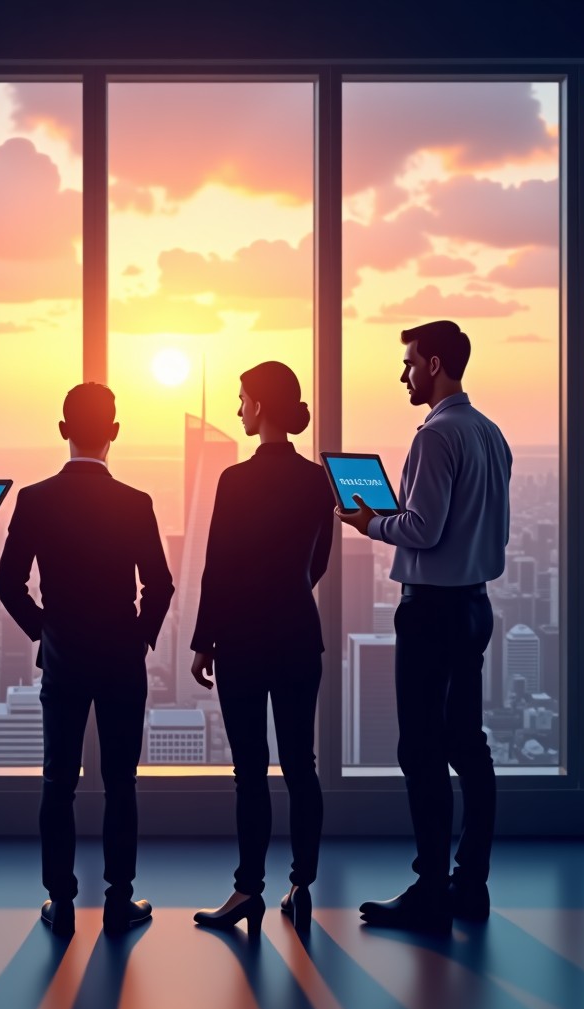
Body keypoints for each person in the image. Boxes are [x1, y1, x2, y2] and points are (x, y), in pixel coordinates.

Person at [338, 320, 511, 934]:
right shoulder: (490, 433)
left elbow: (423, 530)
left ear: (434, 363)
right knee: (469, 745)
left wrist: (370, 525)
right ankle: (471, 885)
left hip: (432, 609)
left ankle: (431, 889)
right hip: (474, 606)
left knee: (421, 749)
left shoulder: (436, 436)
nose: (403, 374)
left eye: (410, 362)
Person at [0, 383, 174, 937]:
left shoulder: (35, 499)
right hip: (122, 659)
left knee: (58, 781)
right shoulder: (136, 502)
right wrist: (139, 638)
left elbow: (8, 584)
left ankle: (61, 903)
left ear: (63, 429)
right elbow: (161, 586)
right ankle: (119, 903)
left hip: (65, 658)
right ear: (115, 432)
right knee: (122, 782)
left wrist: (45, 635)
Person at [190, 362, 334, 937]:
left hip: (243, 640)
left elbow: (216, 567)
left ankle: (248, 890)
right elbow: (318, 561)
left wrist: (204, 641)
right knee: (303, 766)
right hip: (299, 632)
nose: (239, 409)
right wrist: (289, 591)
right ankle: (303, 885)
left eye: (243, 398)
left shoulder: (234, 480)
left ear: (261, 406)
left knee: (249, 771)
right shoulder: (317, 480)